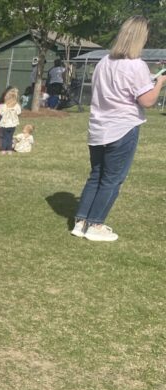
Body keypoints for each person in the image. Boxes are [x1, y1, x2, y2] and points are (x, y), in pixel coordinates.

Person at [72, 16, 166, 242]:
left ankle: (81, 221)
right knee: (112, 179)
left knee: (96, 175)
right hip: (122, 128)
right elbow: (146, 101)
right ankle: (95, 225)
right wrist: (160, 83)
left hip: (98, 127)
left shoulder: (104, 62)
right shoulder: (136, 66)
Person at [0, 87, 21, 155]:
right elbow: (19, 113)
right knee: (10, 137)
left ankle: (3, 150)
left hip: (4, 124)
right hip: (13, 124)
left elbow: (1, 114)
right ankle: (9, 150)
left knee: (4, 137)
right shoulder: (17, 106)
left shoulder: (4, 106)